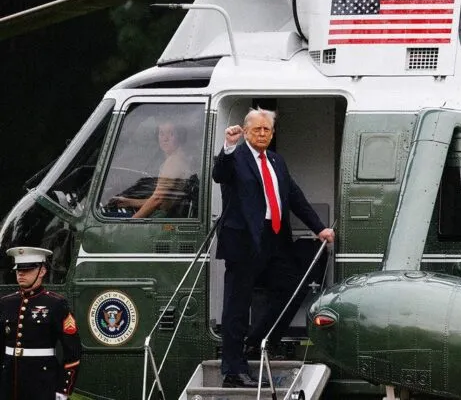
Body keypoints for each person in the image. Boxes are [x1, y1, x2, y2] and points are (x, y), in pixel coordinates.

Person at [212, 107, 335, 388]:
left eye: (267, 129)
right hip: (243, 241)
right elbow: (220, 174)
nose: (263, 133)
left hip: (274, 239)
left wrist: (319, 228)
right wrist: (228, 147)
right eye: (257, 129)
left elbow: (295, 197)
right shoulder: (236, 157)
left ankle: (256, 342)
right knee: (237, 306)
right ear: (245, 131)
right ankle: (233, 370)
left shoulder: (276, 161)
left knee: (294, 286)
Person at [0, 247, 81, 400]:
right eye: (18, 270)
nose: (21, 273)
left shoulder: (56, 304)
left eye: (28, 269)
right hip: (8, 381)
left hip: (42, 382)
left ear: (42, 271)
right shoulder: (6, 303)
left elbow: (73, 351)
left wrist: (64, 389)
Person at [111, 120, 194, 218]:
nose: (165, 139)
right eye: (161, 133)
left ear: (180, 137)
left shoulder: (173, 162)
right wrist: (129, 202)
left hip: (161, 218)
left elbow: (157, 200)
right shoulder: (180, 158)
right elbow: (162, 201)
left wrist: (131, 222)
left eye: (171, 134)